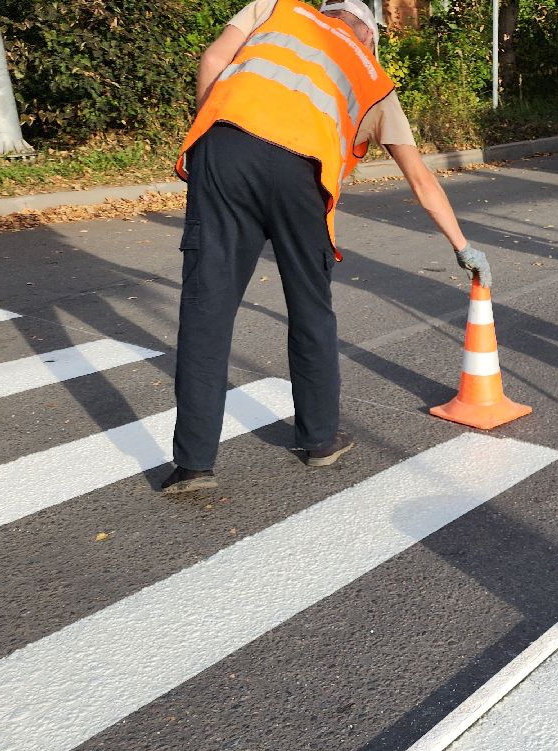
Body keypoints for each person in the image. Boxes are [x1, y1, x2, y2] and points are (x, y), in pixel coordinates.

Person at [160, 0, 491, 493]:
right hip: (302, 175)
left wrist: (213, 135)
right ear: (368, 34)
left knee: (207, 308)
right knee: (311, 309)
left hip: (224, 151)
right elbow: (421, 179)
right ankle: (318, 441)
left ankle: (192, 466)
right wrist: (463, 246)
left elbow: (211, 62)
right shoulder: (372, 78)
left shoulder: (275, 8)